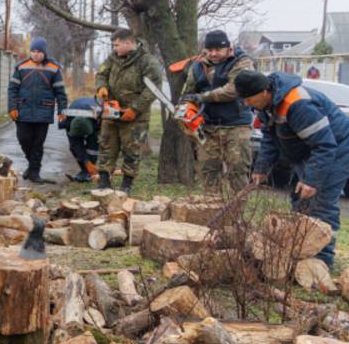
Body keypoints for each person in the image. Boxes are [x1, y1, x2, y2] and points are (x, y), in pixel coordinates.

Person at [236, 69, 349, 268]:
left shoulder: (298, 104)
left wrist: (312, 180)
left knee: (321, 202)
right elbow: (270, 139)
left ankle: (323, 259)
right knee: (300, 198)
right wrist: (261, 168)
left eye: (247, 99)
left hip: (337, 148)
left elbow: (325, 145)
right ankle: (301, 250)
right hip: (308, 150)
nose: (245, 104)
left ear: (263, 92)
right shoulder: (266, 105)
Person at [179, 30, 255, 193]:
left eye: (217, 50)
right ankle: (211, 210)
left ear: (228, 48)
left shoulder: (242, 62)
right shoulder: (198, 66)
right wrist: (186, 107)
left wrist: (203, 97)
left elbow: (233, 90)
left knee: (238, 171)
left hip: (236, 126)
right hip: (208, 127)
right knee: (208, 172)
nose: (213, 53)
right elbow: (188, 92)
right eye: (209, 50)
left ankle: (237, 212)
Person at [94, 28, 163, 194]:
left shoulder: (147, 61)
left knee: (131, 150)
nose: (114, 48)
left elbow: (153, 89)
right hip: (111, 111)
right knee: (106, 146)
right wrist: (101, 87)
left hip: (134, 116)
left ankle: (126, 184)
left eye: (117, 45)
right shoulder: (113, 58)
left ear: (128, 42)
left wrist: (135, 108)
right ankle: (104, 181)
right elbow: (101, 74)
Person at [7, 37, 68, 183]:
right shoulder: (21, 67)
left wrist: (62, 110)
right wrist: (12, 107)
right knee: (24, 139)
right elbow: (12, 89)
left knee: (38, 143)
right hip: (23, 111)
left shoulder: (54, 68)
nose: (35, 54)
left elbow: (60, 91)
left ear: (44, 52)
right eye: (33, 51)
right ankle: (32, 166)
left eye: (39, 52)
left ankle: (35, 172)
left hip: (44, 111)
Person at [59, 96, 101, 182]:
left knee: (93, 147)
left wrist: (91, 163)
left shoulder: (98, 120)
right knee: (74, 148)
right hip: (74, 115)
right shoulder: (67, 121)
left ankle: (91, 172)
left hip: (93, 117)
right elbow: (75, 145)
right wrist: (86, 162)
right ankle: (85, 170)